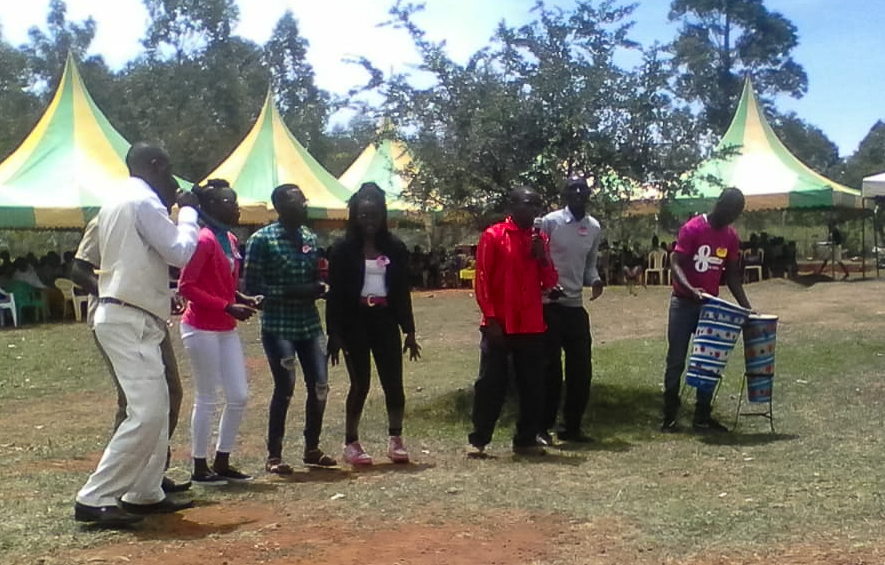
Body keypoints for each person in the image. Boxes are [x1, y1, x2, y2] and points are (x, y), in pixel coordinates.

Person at [74, 142, 200, 526]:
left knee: (158, 407)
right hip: (129, 317)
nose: (172, 179)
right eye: (169, 169)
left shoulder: (116, 200)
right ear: (157, 165)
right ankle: (93, 496)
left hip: (131, 314)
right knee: (145, 413)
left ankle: (145, 492)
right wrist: (190, 211)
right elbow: (180, 251)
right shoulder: (144, 202)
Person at [71, 217, 191, 497]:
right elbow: (78, 270)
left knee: (170, 394)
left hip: (152, 319)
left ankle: (149, 475)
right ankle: (117, 483)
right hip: (120, 319)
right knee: (134, 403)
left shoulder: (156, 222)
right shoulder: (108, 219)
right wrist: (118, 296)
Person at [244, 184, 336, 475]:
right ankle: (274, 454)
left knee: (320, 386)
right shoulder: (262, 240)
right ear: (281, 207)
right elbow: (251, 289)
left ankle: (312, 448)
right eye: (298, 201)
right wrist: (296, 291)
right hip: (278, 325)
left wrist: (321, 286)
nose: (304, 205)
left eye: (304, 199)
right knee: (285, 388)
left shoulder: (309, 236)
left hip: (309, 324)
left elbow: (316, 274)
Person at [326, 182, 421, 466]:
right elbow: (336, 295)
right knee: (360, 384)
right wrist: (334, 333)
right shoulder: (342, 250)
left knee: (394, 382)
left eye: (375, 215)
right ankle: (351, 442)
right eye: (363, 215)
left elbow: (402, 291)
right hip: (355, 322)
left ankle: (396, 440)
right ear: (354, 216)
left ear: (383, 216)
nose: (369, 221)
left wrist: (409, 330)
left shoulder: (394, 248)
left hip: (385, 320)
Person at [178, 179, 261, 485]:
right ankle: (199, 467)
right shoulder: (204, 240)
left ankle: (222, 460)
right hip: (200, 327)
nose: (236, 208)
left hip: (224, 327)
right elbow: (187, 287)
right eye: (229, 203)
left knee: (238, 395)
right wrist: (228, 307)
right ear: (210, 207)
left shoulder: (229, 239)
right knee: (207, 397)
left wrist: (241, 299)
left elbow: (223, 284)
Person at [467, 186, 558, 457]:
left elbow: (551, 282)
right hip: (499, 324)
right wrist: (491, 319)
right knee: (490, 383)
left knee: (532, 385)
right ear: (513, 206)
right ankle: (479, 439)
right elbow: (482, 279)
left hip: (530, 324)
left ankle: (525, 439)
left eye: (537, 206)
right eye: (529, 204)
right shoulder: (493, 236)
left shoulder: (539, 239)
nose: (534, 211)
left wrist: (541, 256)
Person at [662, 188, 752, 434]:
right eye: (731, 210)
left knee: (709, 361)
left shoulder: (731, 237)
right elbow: (676, 264)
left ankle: (702, 415)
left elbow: (732, 275)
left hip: (710, 307)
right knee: (676, 360)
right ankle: (669, 416)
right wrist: (690, 289)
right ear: (720, 204)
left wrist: (746, 306)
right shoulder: (692, 228)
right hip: (683, 304)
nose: (732, 216)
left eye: (737, 213)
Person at [539, 178, 604, 444]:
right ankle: (542, 427)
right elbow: (538, 260)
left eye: (583, 188)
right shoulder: (550, 222)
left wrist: (596, 279)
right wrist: (545, 287)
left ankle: (571, 427)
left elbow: (590, 266)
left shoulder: (593, 227)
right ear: (564, 193)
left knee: (581, 371)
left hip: (576, 307)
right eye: (572, 189)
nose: (578, 193)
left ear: (589, 194)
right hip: (550, 306)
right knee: (550, 371)